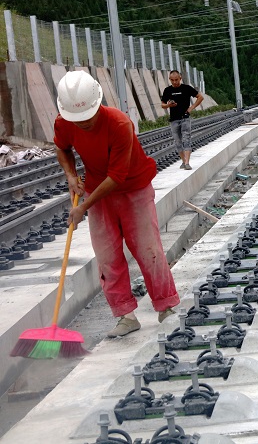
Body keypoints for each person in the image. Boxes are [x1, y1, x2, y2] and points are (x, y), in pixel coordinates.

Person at [54, 71, 180, 337]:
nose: (84, 123)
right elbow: (62, 148)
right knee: (107, 256)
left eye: (88, 116)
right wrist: (70, 175)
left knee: (148, 249)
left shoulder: (120, 124)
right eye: (78, 119)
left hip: (133, 188)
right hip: (97, 191)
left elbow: (117, 176)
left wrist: (82, 207)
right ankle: (125, 315)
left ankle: (166, 306)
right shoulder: (65, 122)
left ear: (98, 103)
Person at [161, 70, 204, 170]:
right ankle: (183, 161)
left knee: (186, 139)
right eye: (172, 80)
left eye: (176, 80)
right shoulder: (167, 90)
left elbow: (200, 97)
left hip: (185, 118)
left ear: (180, 78)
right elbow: (162, 104)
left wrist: (191, 108)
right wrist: (168, 105)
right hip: (174, 119)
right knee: (178, 141)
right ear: (170, 80)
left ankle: (187, 162)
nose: (175, 82)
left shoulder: (186, 88)